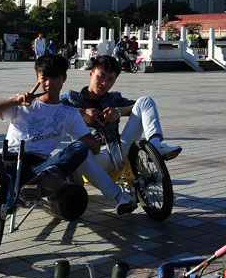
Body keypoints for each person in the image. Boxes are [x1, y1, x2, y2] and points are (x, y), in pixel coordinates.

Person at [60, 55, 181, 214]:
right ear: (91, 74)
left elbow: (136, 107)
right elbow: (50, 109)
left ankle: (156, 145)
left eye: (110, 79)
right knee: (79, 154)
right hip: (95, 155)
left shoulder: (114, 98)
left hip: (120, 148)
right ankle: (121, 198)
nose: (104, 83)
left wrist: (119, 112)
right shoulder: (72, 97)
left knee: (145, 101)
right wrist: (80, 113)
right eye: (101, 76)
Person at [0, 54, 100, 202]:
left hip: (35, 169)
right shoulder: (20, 103)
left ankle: (39, 184)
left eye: (54, 78)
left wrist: (88, 121)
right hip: (3, 163)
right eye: (44, 78)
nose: (49, 83)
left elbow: (95, 147)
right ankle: (27, 186)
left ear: (64, 78)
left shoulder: (69, 113)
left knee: (78, 147)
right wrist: (14, 101)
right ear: (37, 78)